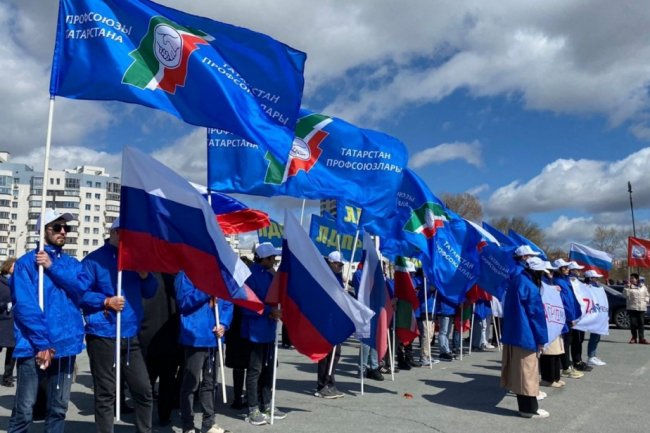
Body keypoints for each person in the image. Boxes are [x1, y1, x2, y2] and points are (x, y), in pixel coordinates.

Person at [8, 209, 89, 433]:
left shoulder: (71, 264)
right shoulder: (26, 264)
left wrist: (52, 267)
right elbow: (25, 307)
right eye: (57, 227)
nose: (63, 231)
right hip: (34, 346)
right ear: (42, 231)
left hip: (65, 345)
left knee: (58, 408)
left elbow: (81, 289)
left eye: (66, 228)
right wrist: (42, 343)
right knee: (24, 410)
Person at [80, 218, 158, 433]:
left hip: (130, 334)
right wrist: (105, 301)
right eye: (127, 234)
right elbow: (79, 294)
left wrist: (144, 275)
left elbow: (150, 291)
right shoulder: (93, 260)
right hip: (103, 333)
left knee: (143, 389)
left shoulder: (134, 259)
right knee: (106, 393)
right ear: (114, 233)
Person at [175, 271, 233, 433]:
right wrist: (207, 291)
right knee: (191, 384)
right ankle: (187, 425)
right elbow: (183, 302)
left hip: (215, 338)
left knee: (210, 383)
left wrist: (223, 324)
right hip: (195, 336)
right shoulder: (185, 274)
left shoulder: (220, 274)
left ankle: (209, 424)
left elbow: (228, 302)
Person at [500, 255, 549, 419]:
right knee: (527, 373)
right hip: (526, 335)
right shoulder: (529, 286)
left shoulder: (515, 281)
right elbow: (537, 315)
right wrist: (542, 339)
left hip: (513, 333)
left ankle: (528, 407)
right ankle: (528, 409)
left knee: (519, 372)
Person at [242, 242, 285, 425]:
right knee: (255, 371)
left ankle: (267, 404)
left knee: (268, 370)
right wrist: (269, 311)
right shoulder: (250, 276)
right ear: (264, 259)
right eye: (272, 258)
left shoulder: (270, 275)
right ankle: (252, 409)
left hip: (269, 330)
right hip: (255, 331)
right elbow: (246, 304)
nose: (274, 261)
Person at [139, 272, 183, 426]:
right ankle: (164, 416)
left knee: (146, 382)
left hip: (147, 336)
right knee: (167, 382)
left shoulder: (145, 279)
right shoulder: (174, 280)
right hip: (170, 336)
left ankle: (144, 417)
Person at [315, 251, 347, 397]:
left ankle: (330, 382)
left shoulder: (338, 277)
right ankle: (322, 385)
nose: (341, 266)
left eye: (342, 264)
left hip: (335, 320)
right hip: (324, 320)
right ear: (331, 263)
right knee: (325, 353)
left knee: (335, 353)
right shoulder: (323, 276)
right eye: (339, 264)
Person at [551, 259, 584, 379]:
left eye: (567, 267)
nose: (567, 269)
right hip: (564, 318)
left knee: (568, 342)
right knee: (564, 343)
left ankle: (567, 365)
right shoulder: (557, 282)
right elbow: (564, 303)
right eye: (564, 268)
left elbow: (573, 300)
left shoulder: (567, 281)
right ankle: (566, 367)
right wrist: (570, 317)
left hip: (571, 317)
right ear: (558, 269)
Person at [566, 261, 593, 373]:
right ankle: (575, 362)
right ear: (572, 270)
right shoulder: (570, 282)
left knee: (579, 339)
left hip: (579, 315)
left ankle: (578, 360)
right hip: (574, 316)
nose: (579, 271)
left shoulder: (577, 282)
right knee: (574, 340)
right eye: (577, 269)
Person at [582, 270, 607, 366]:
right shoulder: (586, 287)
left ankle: (593, 355)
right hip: (590, 313)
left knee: (597, 335)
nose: (597, 280)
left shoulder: (597, 287)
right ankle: (591, 356)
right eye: (595, 278)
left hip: (598, 313)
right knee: (593, 336)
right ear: (591, 278)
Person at [0, 257, 17, 387]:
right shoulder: (1, 282)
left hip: (14, 322)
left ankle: (7, 377)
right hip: (2, 321)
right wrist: (4, 305)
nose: (16, 269)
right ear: (8, 266)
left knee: (12, 352)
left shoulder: (18, 281)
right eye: (14, 266)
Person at [623, 273, 649, 344]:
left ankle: (642, 338)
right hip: (632, 307)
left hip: (641, 307)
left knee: (641, 323)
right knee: (633, 323)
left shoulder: (643, 286)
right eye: (630, 278)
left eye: (632, 278)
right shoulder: (628, 287)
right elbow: (625, 295)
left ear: (637, 279)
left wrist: (646, 301)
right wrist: (627, 287)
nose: (631, 279)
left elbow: (647, 295)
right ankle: (634, 338)